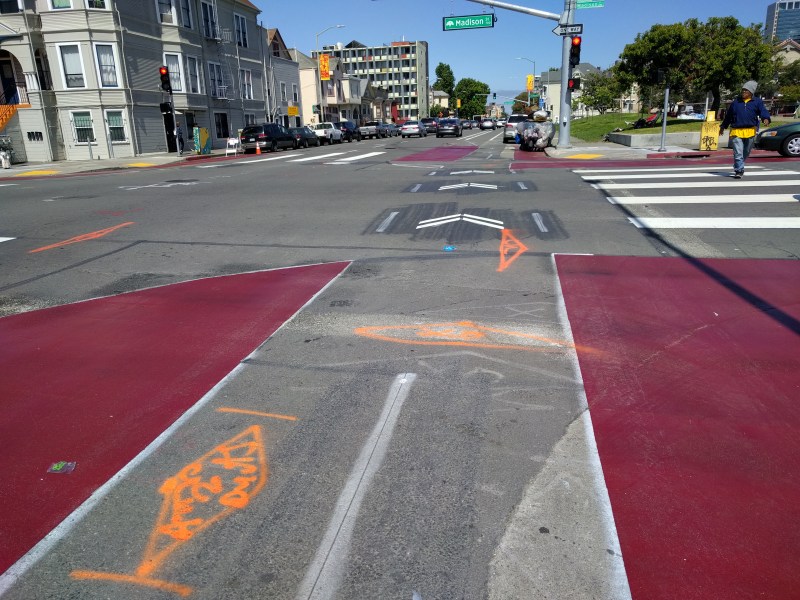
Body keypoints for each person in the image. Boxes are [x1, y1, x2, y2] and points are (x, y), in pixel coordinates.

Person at [719, 81, 770, 179]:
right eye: (743, 90)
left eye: (746, 90)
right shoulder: (736, 102)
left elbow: (763, 111)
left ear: (751, 92)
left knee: (746, 151)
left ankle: (738, 164)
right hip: (736, 131)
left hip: (750, 130)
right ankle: (739, 170)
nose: (743, 92)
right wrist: (723, 126)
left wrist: (765, 118)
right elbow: (728, 116)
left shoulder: (757, 102)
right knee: (738, 152)